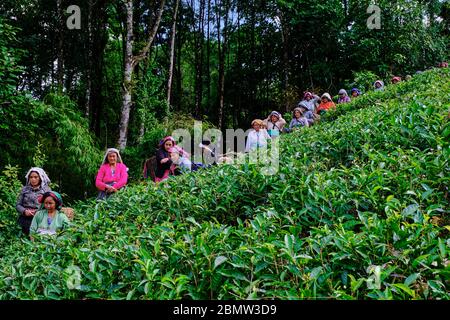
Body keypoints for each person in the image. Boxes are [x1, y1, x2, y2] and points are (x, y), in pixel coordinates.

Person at [16, 167, 52, 235]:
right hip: (25, 219)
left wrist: (38, 212)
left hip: (40, 219)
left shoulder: (46, 190)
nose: (33, 179)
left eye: (36, 177)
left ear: (40, 178)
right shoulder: (24, 189)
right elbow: (18, 205)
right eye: (31, 177)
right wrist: (24, 211)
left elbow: (51, 205)